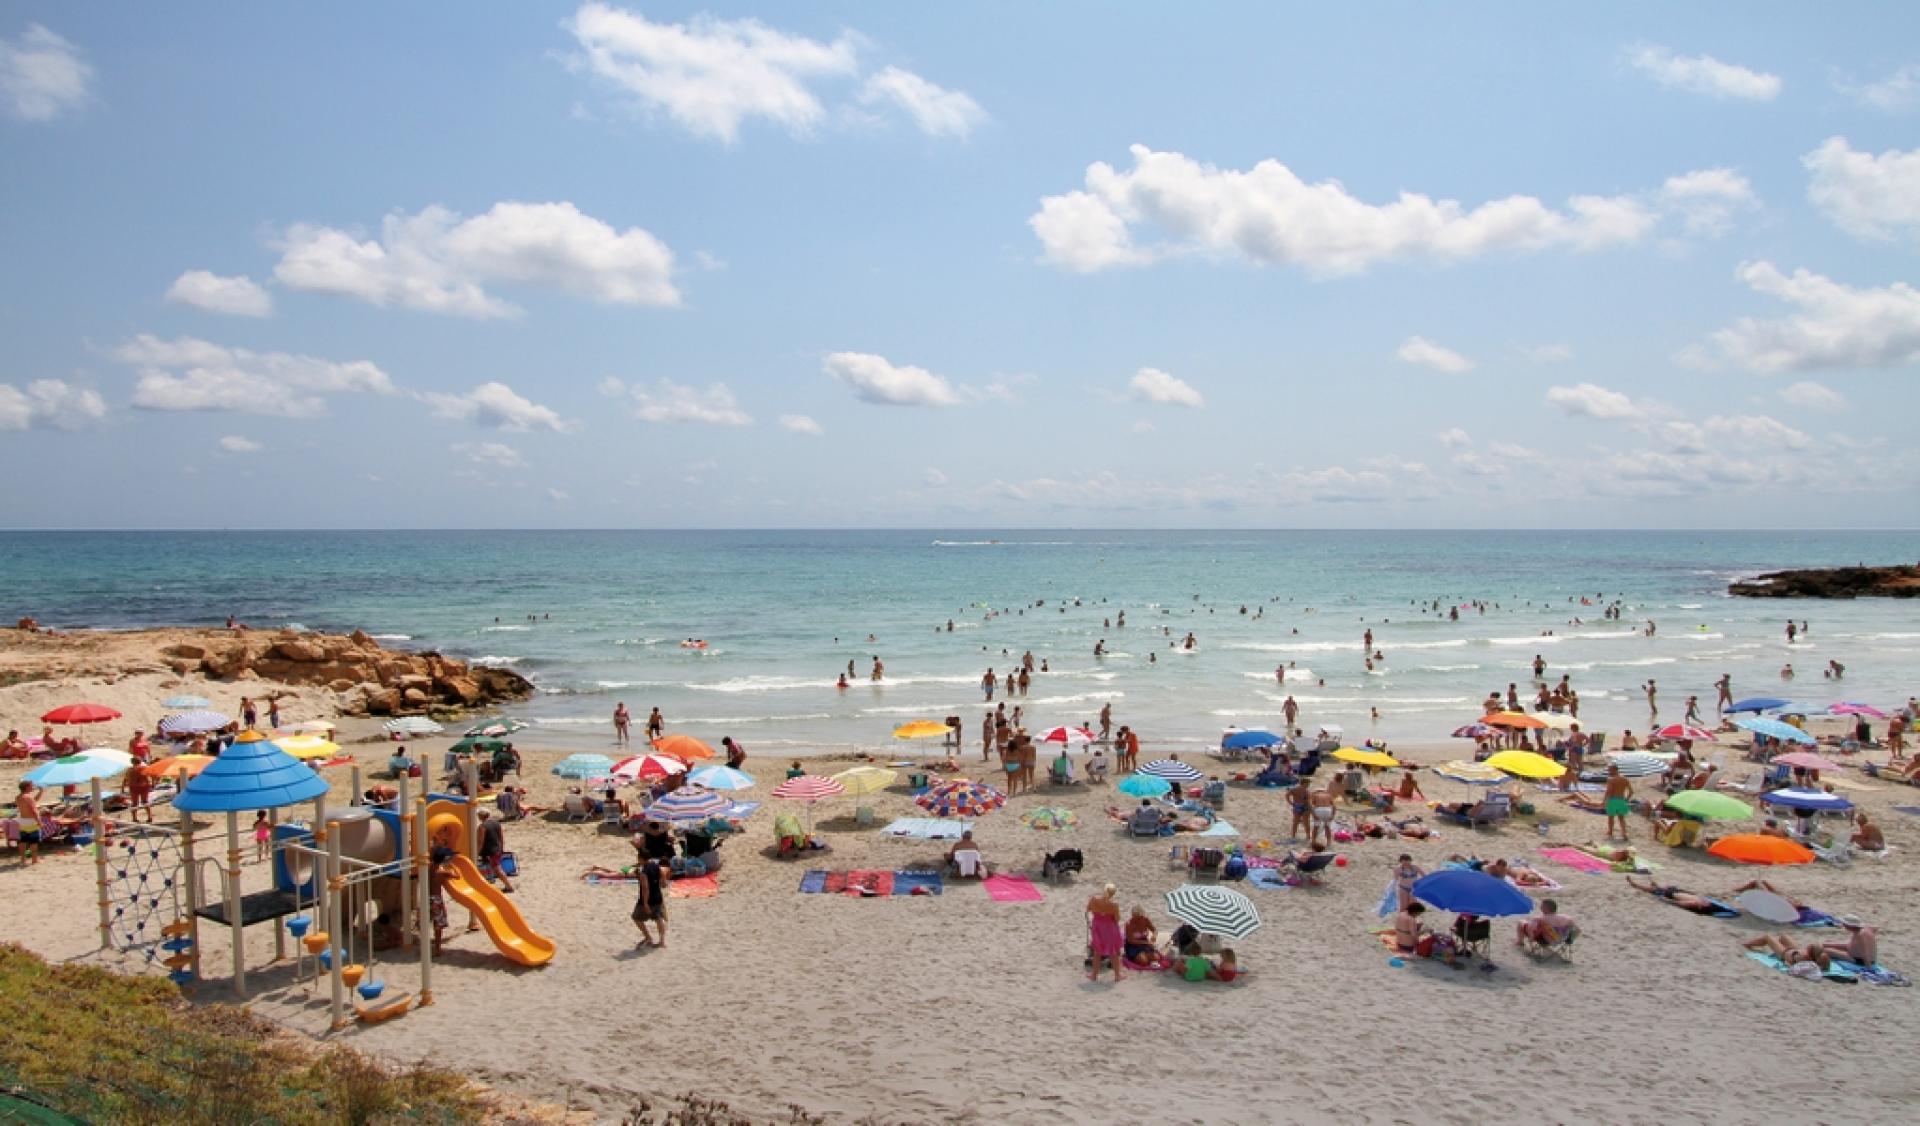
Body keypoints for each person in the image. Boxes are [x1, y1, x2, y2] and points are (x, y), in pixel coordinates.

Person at [1086, 883, 1125, 982]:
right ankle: (1117, 976)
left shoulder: (1094, 899)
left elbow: (1088, 910)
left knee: (1097, 951)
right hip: (1109, 928)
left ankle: (1094, 975)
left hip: (1098, 927)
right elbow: (1117, 919)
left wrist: (1098, 915)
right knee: (1113, 952)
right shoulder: (1114, 905)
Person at [632, 845, 667, 949]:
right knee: (659, 919)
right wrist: (662, 883)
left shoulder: (644, 873)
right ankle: (662, 942)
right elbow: (663, 876)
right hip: (658, 897)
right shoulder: (656, 865)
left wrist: (646, 903)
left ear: (641, 858)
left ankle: (648, 937)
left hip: (648, 900)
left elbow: (645, 888)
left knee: (636, 918)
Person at [1743, 933, 1829, 974]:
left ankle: (1748, 944)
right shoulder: (1811, 956)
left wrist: (1793, 955)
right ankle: (1775, 942)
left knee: (1767, 937)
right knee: (1784, 936)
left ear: (1811, 951)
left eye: (1810, 946)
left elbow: (1791, 964)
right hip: (1793, 950)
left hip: (1783, 954)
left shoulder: (1803, 957)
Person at [475, 809, 515, 893]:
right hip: (497, 849)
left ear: (481, 816)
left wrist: (477, 853)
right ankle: (489, 886)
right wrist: (502, 848)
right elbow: (501, 837)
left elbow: (480, 842)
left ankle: (509, 886)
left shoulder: (482, 827)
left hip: (490, 851)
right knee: (493, 868)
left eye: (478, 815)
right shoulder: (497, 823)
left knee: (497, 869)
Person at [14, 781, 44, 866]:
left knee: (23, 841)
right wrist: (39, 822)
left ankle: (23, 860)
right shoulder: (28, 797)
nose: (33, 787)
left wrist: (41, 792)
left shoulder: (18, 797)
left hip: (22, 821)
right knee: (33, 842)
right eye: (31, 786)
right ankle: (34, 860)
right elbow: (33, 811)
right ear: (27, 787)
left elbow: (33, 801)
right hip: (32, 822)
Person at [1603, 764, 1633, 841]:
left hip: (1613, 800)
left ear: (1614, 770)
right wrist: (1626, 799)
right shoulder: (1625, 779)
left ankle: (1610, 831)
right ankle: (1624, 833)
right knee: (1621, 818)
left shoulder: (1611, 780)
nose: (1609, 771)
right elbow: (1631, 791)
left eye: (1610, 770)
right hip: (1621, 800)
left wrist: (1605, 800)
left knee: (1611, 817)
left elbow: (1609, 791)